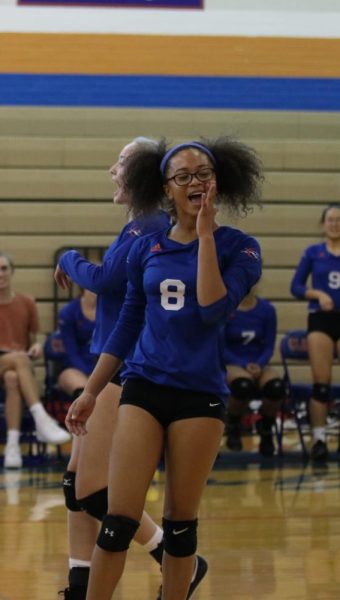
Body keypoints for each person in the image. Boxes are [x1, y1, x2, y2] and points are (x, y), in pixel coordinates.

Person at [66, 137, 263, 600]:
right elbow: (128, 322)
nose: (195, 182)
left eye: (203, 174)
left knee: (179, 526)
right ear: (166, 189)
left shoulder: (241, 248)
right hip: (143, 387)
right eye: (183, 176)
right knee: (117, 520)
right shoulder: (146, 246)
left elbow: (213, 306)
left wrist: (207, 234)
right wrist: (92, 391)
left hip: (200, 396)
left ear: (219, 182)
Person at [54, 138, 174, 600]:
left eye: (121, 162)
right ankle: (78, 585)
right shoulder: (136, 226)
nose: (112, 170)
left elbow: (102, 279)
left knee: (96, 494)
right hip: (109, 364)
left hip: (124, 370)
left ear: (144, 173)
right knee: (75, 488)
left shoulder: (150, 225)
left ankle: (172, 555)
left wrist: (67, 258)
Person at [0, 251, 70, 469]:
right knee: (19, 360)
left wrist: (36, 348)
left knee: (13, 376)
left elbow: (32, 341)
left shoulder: (27, 303)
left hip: (18, 366)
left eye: (4, 268)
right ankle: (42, 418)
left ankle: (12, 446)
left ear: (12, 271)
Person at [290, 203, 340, 462]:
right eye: (331, 220)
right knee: (321, 384)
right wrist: (317, 294)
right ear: (323, 224)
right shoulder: (313, 252)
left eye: (339, 220)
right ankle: (319, 439)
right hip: (321, 319)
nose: (335, 224)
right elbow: (296, 287)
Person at [222, 288, 281, 456]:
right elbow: (221, 345)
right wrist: (242, 364)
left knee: (276, 387)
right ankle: (233, 423)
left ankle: (266, 427)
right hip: (233, 363)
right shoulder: (226, 308)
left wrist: (260, 364)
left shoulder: (267, 310)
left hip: (258, 363)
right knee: (242, 386)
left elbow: (269, 345)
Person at [55, 289, 97, 398]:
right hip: (76, 368)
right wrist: (90, 374)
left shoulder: (113, 311)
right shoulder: (69, 312)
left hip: (104, 367)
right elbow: (71, 353)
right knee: (85, 393)